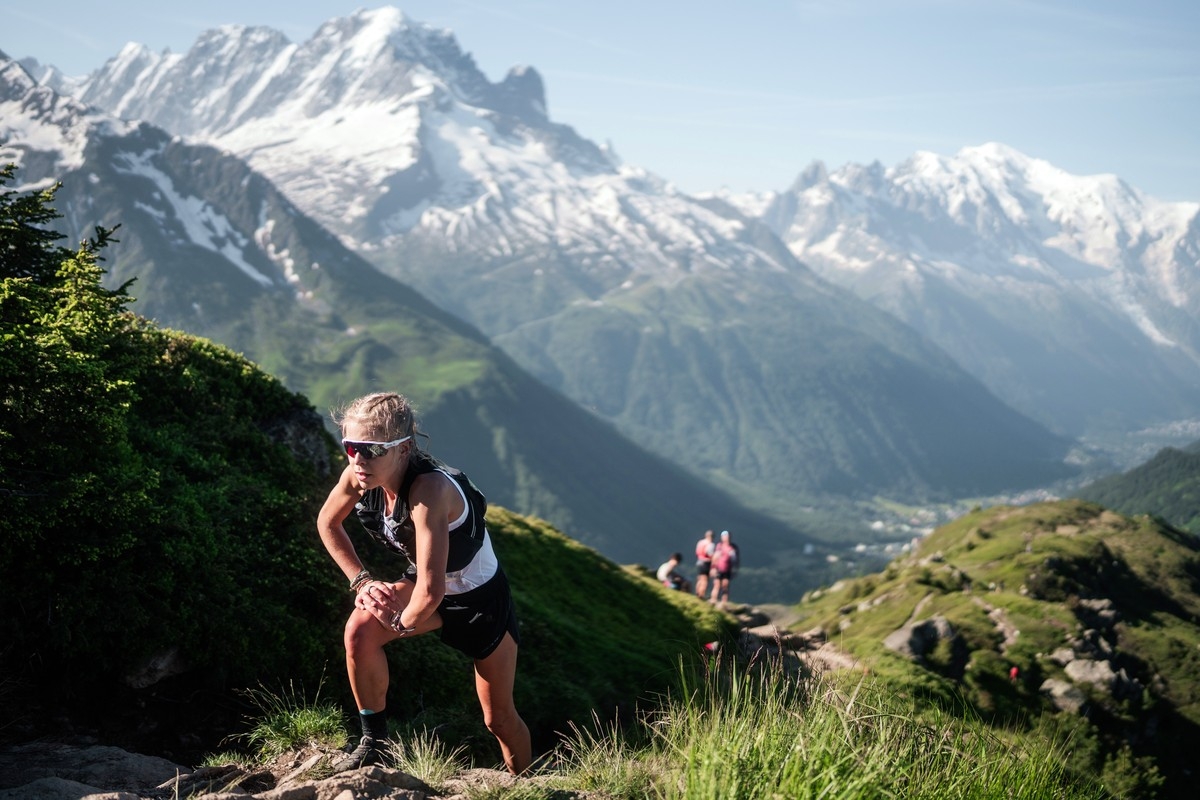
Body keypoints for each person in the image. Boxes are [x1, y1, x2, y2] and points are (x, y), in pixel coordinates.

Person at [316, 392, 531, 774]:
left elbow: (431, 593)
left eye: (372, 449)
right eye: (350, 446)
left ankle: (525, 781)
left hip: (481, 601)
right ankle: (374, 743)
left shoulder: (431, 490)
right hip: (427, 584)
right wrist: (363, 584)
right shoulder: (357, 475)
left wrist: (396, 623)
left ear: (404, 448)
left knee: (498, 720)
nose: (359, 459)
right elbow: (327, 523)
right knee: (360, 632)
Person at [708, 530, 739, 609]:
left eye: (727, 536)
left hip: (728, 569)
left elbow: (735, 560)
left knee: (725, 585)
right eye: (725, 536)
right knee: (717, 585)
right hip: (718, 568)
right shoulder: (719, 546)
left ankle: (724, 603)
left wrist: (734, 569)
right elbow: (715, 558)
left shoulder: (733, 547)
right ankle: (713, 600)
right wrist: (713, 567)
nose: (726, 538)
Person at [693, 529, 715, 599]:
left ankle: (697, 592)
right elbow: (709, 553)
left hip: (699, 562)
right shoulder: (710, 544)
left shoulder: (700, 542)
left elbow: (697, 552)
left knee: (700, 578)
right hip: (706, 563)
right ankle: (701, 595)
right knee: (705, 580)